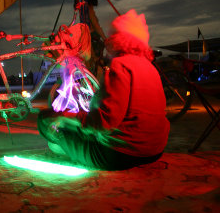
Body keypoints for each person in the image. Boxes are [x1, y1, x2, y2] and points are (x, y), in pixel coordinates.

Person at [37, 9, 170, 170]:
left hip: (119, 154)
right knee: (75, 126)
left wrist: (65, 116)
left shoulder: (121, 65)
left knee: (45, 118)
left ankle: (71, 150)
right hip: (155, 151)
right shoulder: (150, 68)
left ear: (117, 40)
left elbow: (104, 122)